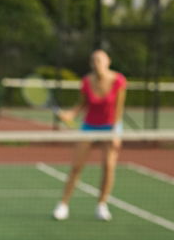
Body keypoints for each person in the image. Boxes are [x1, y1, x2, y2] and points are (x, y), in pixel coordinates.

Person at [52, 49, 127, 221]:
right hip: (89, 126)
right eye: (93, 61)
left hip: (111, 127)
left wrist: (116, 133)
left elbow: (119, 109)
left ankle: (101, 205)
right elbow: (81, 105)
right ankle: (63, 204)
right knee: (76, 166)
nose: (96, 64)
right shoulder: (86, 82)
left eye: (100, 60)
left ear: (108, 61)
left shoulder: (119, 81)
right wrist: (69, 115)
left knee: (109, 166)